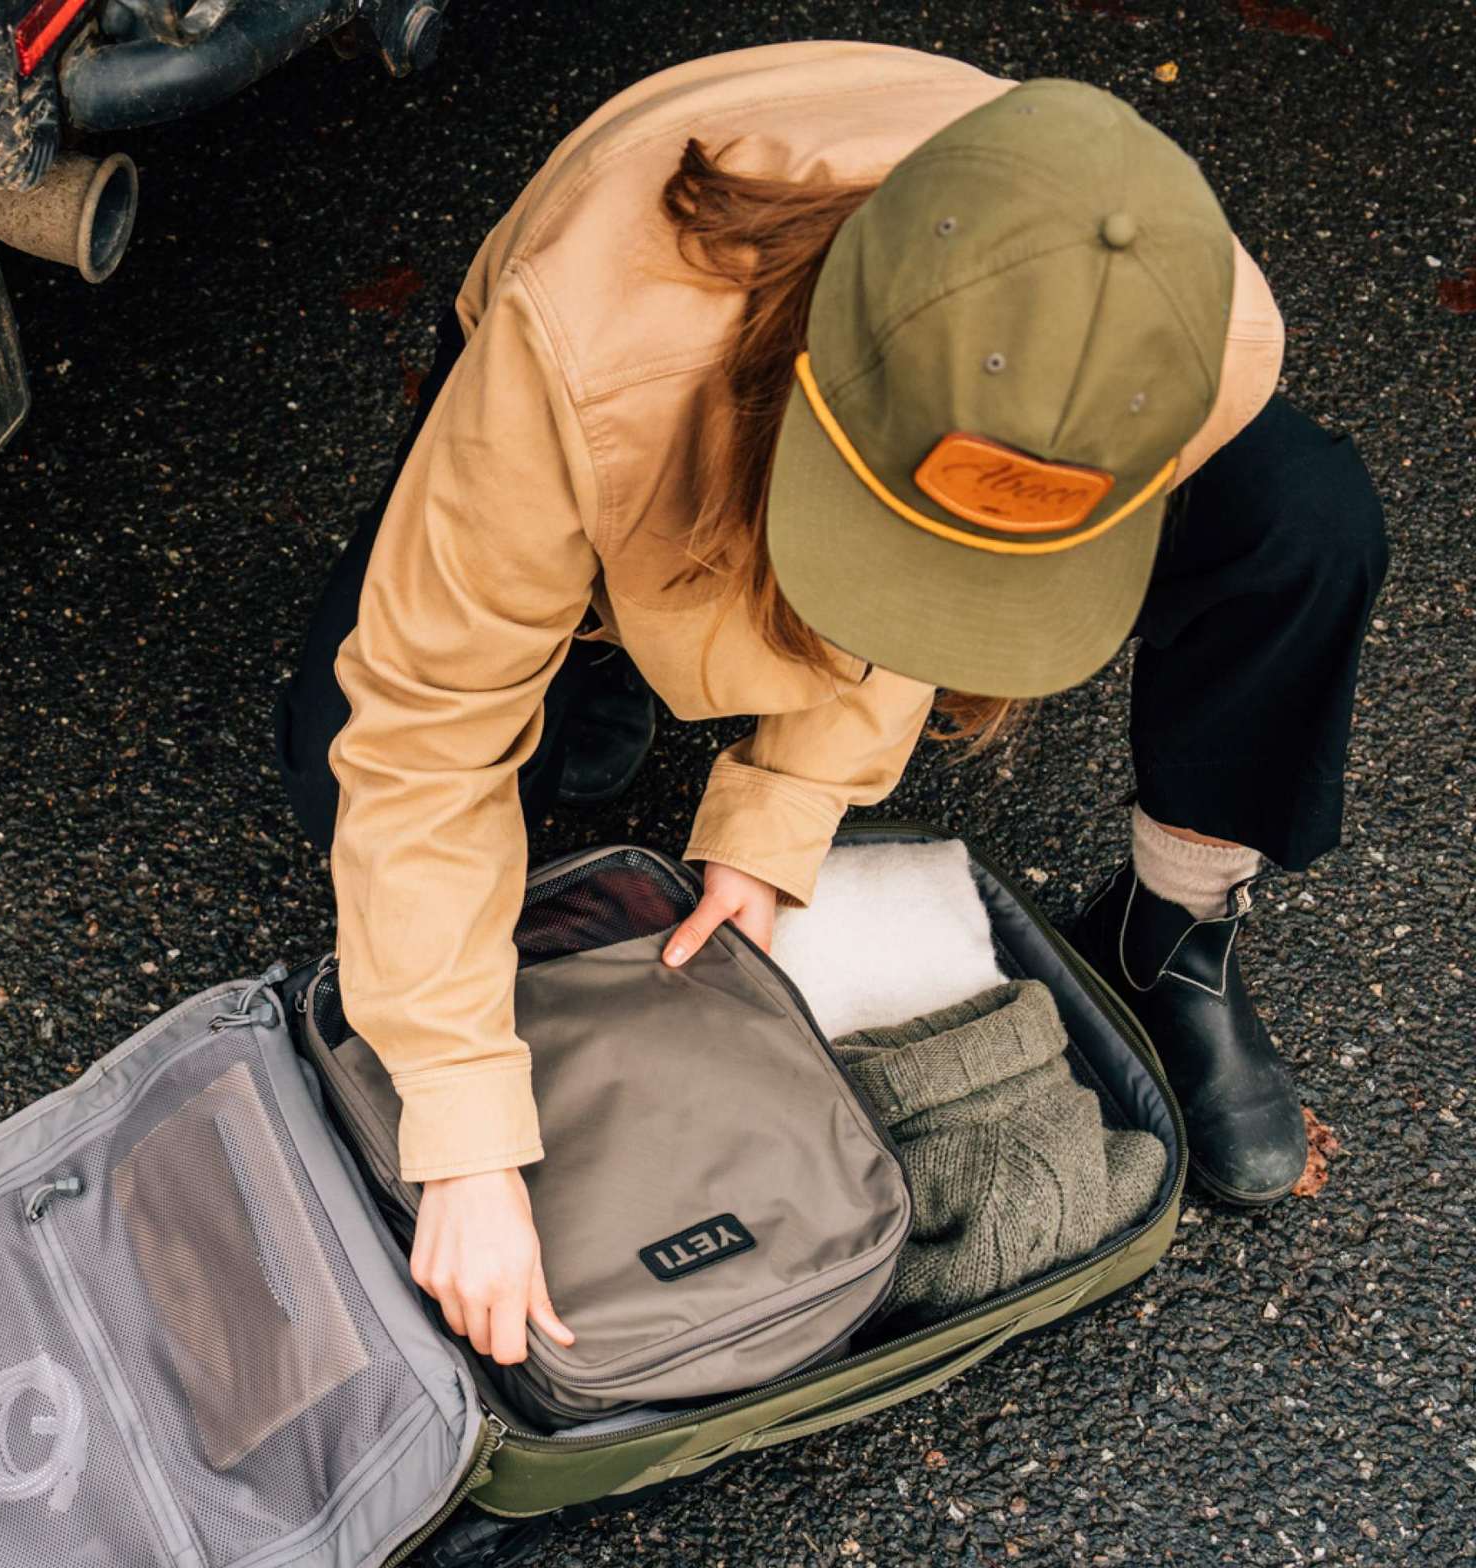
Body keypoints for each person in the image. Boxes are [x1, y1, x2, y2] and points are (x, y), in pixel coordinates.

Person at [274, 44, 1388, 1366]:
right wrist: (461, 1137)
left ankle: (1172, 925)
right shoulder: (580, 352)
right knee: (338, 770)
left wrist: (779, 813)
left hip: (820, 407)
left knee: (1307, 519)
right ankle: (606, 626)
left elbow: (933, 575)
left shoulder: (1194, 332)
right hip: (620, 391)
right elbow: (422, 729)